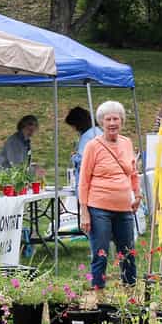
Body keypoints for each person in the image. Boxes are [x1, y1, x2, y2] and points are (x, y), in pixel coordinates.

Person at [79, 101, 142, 288]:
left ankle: (130, 293)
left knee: (128, 253)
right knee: (101, 253)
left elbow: (132, 172)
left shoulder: (127, 143)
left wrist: (137, 194)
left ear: (121, 121)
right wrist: (84, 211)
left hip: (124, 208)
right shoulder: (92, 146)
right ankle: (98, 294)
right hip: (99, 208)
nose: (112, 123)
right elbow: (83, 181)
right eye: (108, 119)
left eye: (116, 119)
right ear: (101, 122)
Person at [66, 106, 99, 196]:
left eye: (73, 126)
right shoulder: (98, 132)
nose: (73, 129)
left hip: (89, 184)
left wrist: (74, 157)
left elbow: (82, 160)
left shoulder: (87, 136)